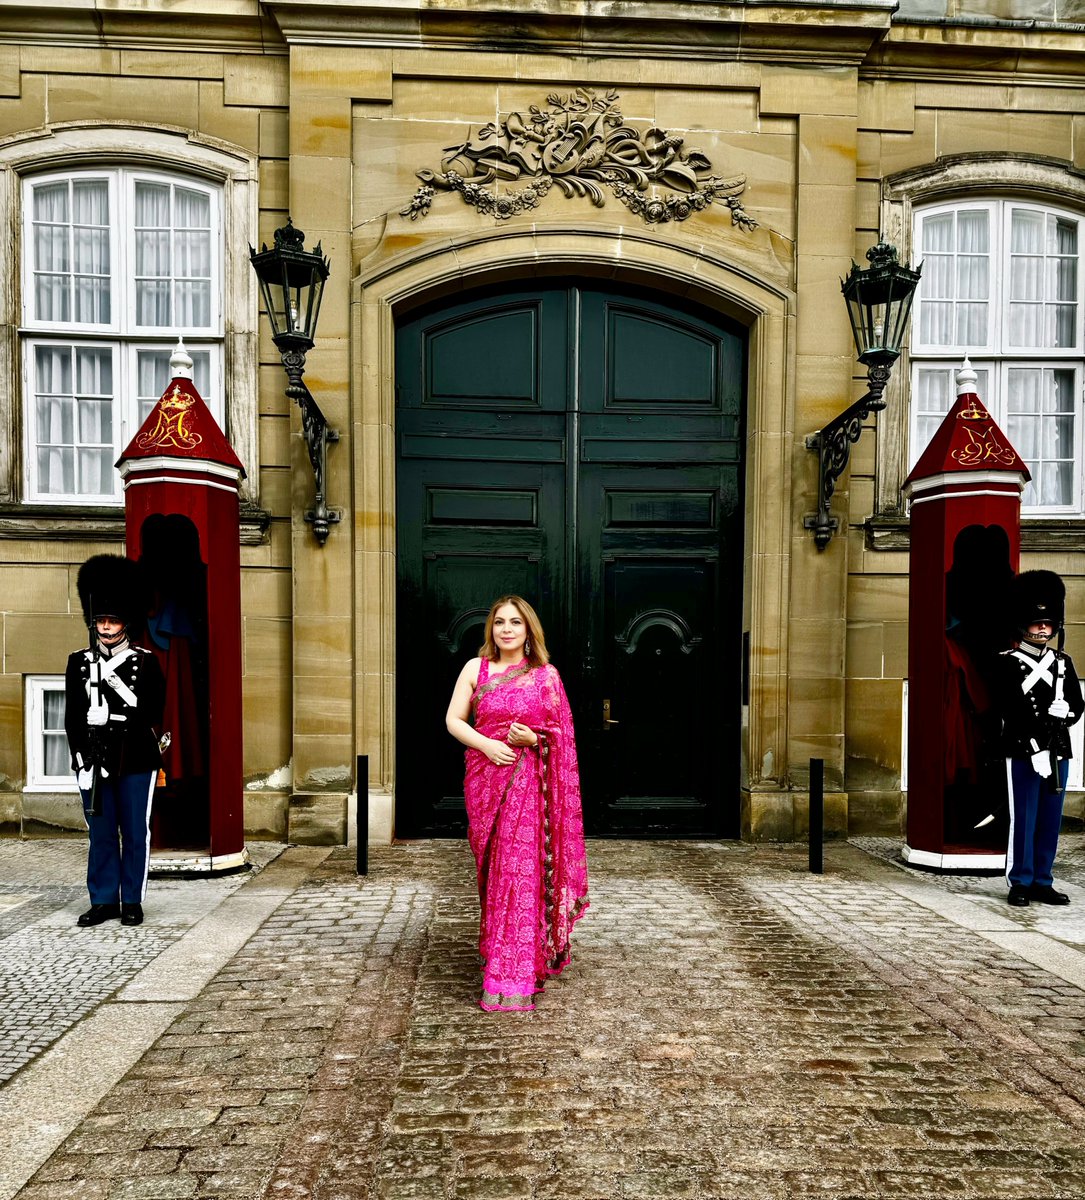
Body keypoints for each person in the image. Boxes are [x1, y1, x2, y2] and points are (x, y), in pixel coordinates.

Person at [445, 595, 589, 1011]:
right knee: (494, 869)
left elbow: (563, 736)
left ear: (529, 631)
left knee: (520, 870)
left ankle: (514, 971)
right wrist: (488, 745)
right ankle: (500, 948)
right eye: (499, 622)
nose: (506, 629)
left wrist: (536, 740)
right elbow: (453, 720)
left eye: (515, 623)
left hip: (530, 784)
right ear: (491, 629)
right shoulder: (476, 669)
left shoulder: (546, 676)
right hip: (486, 781)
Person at [65, 555, 166, 928]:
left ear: (127, 623)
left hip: (136, 759)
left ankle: (132, 900)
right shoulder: (79, 663)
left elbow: (154, 711)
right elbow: (72, 718)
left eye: (113, 620)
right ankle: (103, 899)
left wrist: (113, 715)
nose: (106, 627)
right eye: (101, 621)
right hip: (95, 760)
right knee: (102, 834)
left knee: (135, 832)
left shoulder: (145, 662)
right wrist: (81, 761)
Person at [993, 570, 1083, 907]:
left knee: (1050, 819)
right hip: (1024, 751)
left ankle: (1043, 879)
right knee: (1024, 818)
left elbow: (1077, 703)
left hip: (1058, 750)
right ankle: (1021, 880)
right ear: (1022, 624)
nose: (1043, 628)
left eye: (1047, 622)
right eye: (1035, 622)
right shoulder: (1007, 664)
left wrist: (1067, 713)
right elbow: (1009, 709)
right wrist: (1033, 748)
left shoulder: (1063, 662)